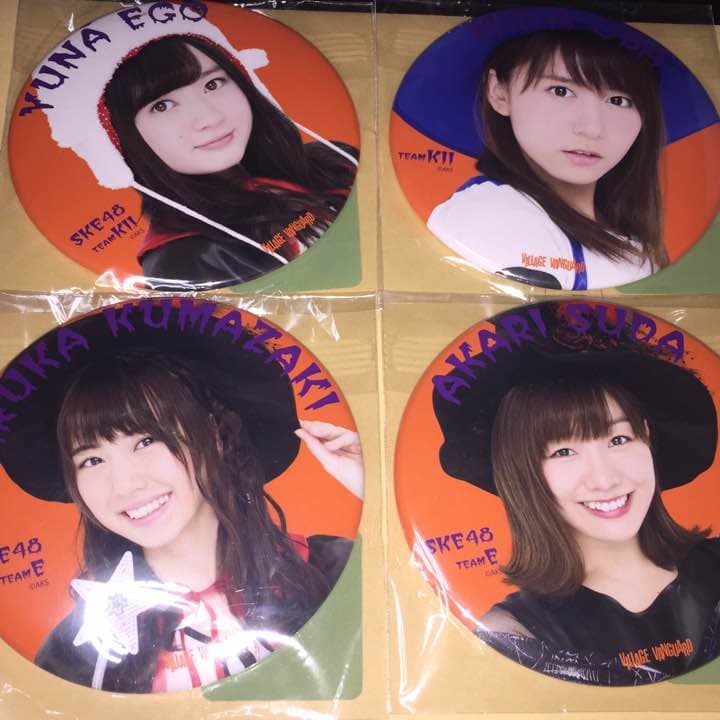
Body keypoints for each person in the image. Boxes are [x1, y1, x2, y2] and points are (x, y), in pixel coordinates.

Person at [0, 306, 362, 693]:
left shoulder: (336, 571)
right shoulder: (75, 659)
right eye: (92, 460)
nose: (125, 485)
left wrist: (368, 483)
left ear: (216, 435)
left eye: (146, 440)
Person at [434, 304, 720, 685]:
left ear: (648, 438)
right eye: (564, 452)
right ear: (522, 472)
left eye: (619, 439)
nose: (604, 479)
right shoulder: (515, 634)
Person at [101, 34, 358, 289]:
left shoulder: (334, 160)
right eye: (162, 106)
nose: (210, 118)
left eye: (213, 84)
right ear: (126, 137)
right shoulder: (184, 262)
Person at [427, 29, 667, 290]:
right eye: (560, 91)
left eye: (619, 100)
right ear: (499, 92)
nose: (591, 129)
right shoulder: (492, 211)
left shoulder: (637, 245)